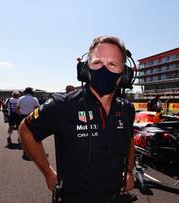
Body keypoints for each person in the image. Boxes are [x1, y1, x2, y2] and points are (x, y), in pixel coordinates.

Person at [19, 36, 135, 202]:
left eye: (112, 64)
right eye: (97, 63)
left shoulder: (127, 109)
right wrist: (48, 172)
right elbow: (25, 130)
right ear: (85, 69)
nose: (104, 69)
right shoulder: (62, 104)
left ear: (124, 73)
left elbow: (130, 139)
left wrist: (129, 170)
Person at [17, 87, 39, 159]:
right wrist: (35, 117)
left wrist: (20, 114)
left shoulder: (21, 98)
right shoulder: (34, 99)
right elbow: (37, 109)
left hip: (23, 116)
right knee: (32, 134)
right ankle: (34, 151)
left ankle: (25, 151)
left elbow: (17, 109)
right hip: (31, 116)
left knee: (24, 133)